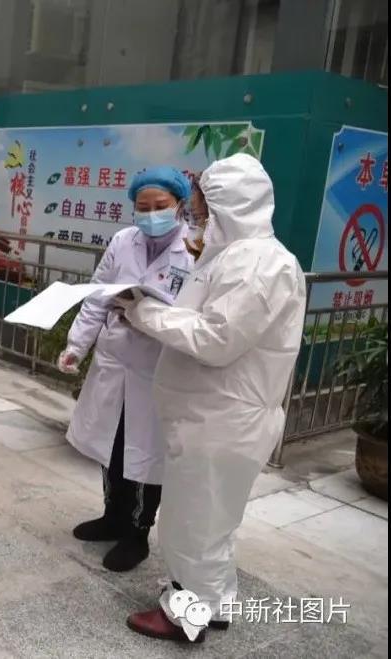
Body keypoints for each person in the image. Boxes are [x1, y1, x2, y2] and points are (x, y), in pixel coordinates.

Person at [118, 154, 306, 642]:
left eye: (203, 203)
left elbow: (216, 339)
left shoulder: (257, 264)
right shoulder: (239, 256)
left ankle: (186, 616)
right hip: (213, 414)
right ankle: (213, 602)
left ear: (229, 204)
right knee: (212, 520)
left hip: (223, 418)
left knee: (193, 523)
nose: (196, 213)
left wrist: (143, 314)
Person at [60, 166, 195, 572]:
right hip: (114, 358)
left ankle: (137, 533)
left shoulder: (194, 250)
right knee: (111, 444)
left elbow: (195, 315)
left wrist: (146, 314)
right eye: (143, 207)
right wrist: (76, 346)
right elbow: (97, 297)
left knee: (145, 454)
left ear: (180, 205)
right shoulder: (123, 241)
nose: (151, 214)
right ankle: (112, 516)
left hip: (157, 365)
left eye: (160, 206)